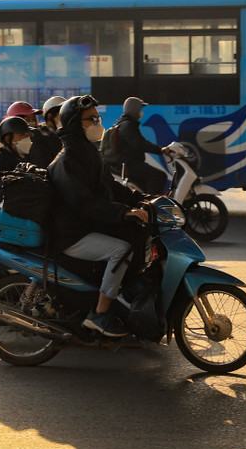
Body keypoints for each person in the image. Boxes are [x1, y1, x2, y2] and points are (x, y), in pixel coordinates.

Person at [48, 95, 148, 337]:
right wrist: (123, 212)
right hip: (72, 234)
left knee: (138, 234)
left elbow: (110, 186)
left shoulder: (86, 152)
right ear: (74, 123)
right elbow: (85, 203)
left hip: (87, 225)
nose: (97, 123)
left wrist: (142, 198)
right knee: (122, 249)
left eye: (97, 118)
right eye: (91, 119)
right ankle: (100, 314)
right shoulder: (68, 160)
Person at [109, 96, 170, 194]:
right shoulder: (128, 125)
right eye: (140, 109)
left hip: (128, 163)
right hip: (130, 164)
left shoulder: (124, 124)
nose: (142, 112)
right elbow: (140, 144)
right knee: (159, 176)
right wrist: (161, 150)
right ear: (134, 110)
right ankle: (150, 202)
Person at [0, 116, 32, 206]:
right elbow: (5, 198)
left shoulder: (22, 162)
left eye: (28, 136)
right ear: (8, 139)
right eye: (23, 135)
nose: (27, 139)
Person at [28, 95, 65, 168]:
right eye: (62, 114)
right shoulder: (37, 137)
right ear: (50, 116)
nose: (66, 117)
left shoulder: (65, 135)